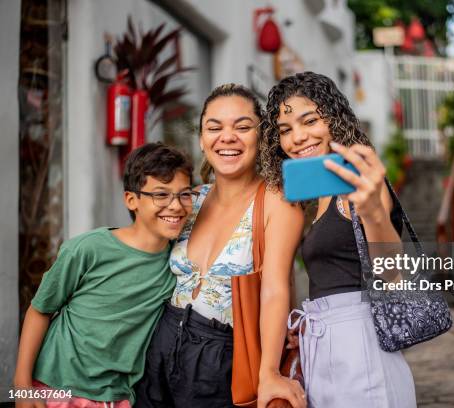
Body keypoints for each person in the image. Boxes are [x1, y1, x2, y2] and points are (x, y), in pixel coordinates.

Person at [135, 84, 306, 408]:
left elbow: (274, 289)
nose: (227, 137)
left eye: (242, 127)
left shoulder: (277, 201)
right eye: (214, 128)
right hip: (159, 351)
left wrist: (268, 372)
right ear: (202, 138)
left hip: (223, 360)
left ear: (262, 136)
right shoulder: (189, 199)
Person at [261, 71, 417, 408]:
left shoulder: (359, 181)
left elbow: (391, 272)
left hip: (362, 348)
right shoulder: (318, 196)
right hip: (323, 344)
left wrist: (374, 213)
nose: (297, 137)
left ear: (334, 121)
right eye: (285, 130)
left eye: (309, 121)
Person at [13, 142, 195, 408]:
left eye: (184, 194)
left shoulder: (177, 264)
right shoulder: (88, 249)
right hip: (54, 388)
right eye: (161, 194)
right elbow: (40, 310)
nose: (176, 206)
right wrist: (22, 388)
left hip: (116, 398)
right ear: (131, 199)